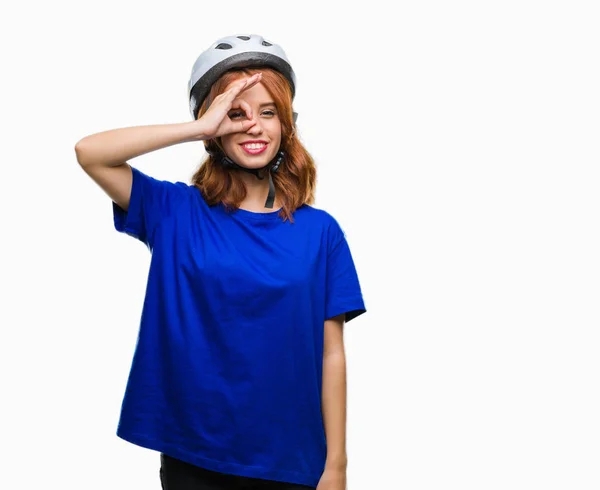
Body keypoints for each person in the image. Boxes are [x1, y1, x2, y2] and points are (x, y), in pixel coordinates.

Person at [75, 33, 366, 490]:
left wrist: (337, 466)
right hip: (195, 454)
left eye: (268, 112)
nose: (253, 126)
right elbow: (90, 153)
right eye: (236, 113)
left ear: (287, 124)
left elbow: (333, 355)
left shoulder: (321, 232)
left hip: (291, 458)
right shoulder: (173, 211)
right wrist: (199, 128)